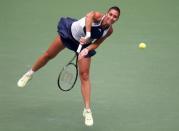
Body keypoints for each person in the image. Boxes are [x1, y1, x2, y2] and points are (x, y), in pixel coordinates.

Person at [17, 6, 120, 126]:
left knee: (85, 75)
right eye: (111, 14)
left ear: (117, 19)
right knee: (48, 55)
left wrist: (86, 51)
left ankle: (87, 110)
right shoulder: (97, 16)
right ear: (106, 13)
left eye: (115, 17)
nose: (112, 18)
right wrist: (87, 35)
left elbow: (97, 43)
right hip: (70, 34)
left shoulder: (109, 31)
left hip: (83, 45)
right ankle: (29, 73)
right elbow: (89, 16)